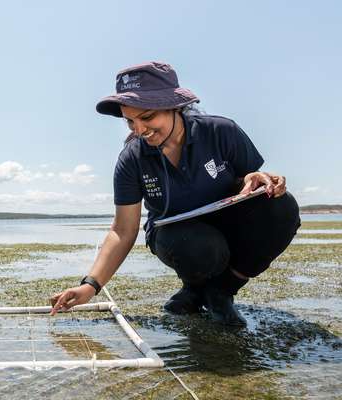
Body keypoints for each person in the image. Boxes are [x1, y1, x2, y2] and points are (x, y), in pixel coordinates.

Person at [50, 62, 300, 326]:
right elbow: (122, 230)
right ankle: (194, 288)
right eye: (130, 121)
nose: (139, 129)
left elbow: (249, 183)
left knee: (280, 207)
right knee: (202, 248)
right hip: (178, 237)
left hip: (230, 224)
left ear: (174, 107)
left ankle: (222, 291)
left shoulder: (221, 131)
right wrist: (90, 285)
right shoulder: (132, 158)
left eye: (147, 117)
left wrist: (255, 179)